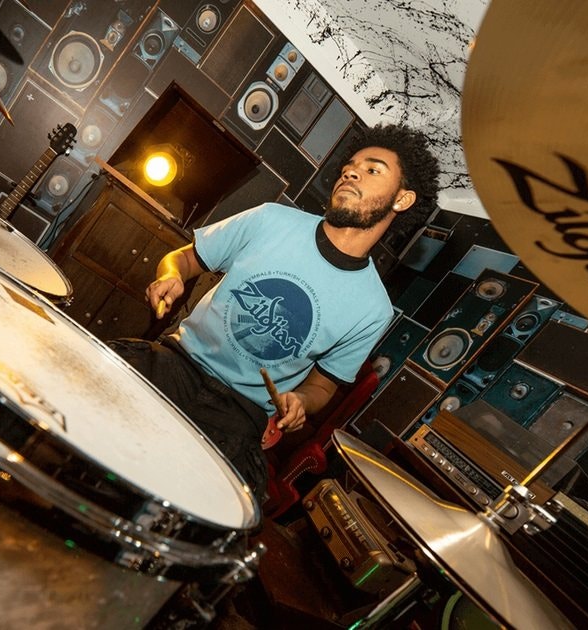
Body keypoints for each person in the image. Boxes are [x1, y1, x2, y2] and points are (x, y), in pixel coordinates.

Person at [108, 123, 440, 504]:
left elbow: (323, 386)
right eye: (349, 166)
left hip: (240, 411)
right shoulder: (272, 219)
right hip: (179, 361)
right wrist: (171, 276)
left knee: (211, 501)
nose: (350, 172)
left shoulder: (374, 309)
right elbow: (183, 259)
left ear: (402, 199)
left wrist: (301, 402)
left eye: (372, 169)